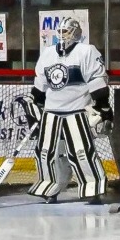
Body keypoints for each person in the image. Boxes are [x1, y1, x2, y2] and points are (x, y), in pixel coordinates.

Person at [27, 15, 110, 202]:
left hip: (77, 111)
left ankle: (92, 188)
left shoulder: (87, 51)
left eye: (66, 31)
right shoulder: (48, 53)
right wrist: (35, 103)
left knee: (81, 153)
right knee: (45, 152)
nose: (63, 35)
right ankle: (50, 187)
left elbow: (96, 80)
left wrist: (103, 106)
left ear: (76, 32)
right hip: (51, 112)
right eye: (61, 32)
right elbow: (40, 84)